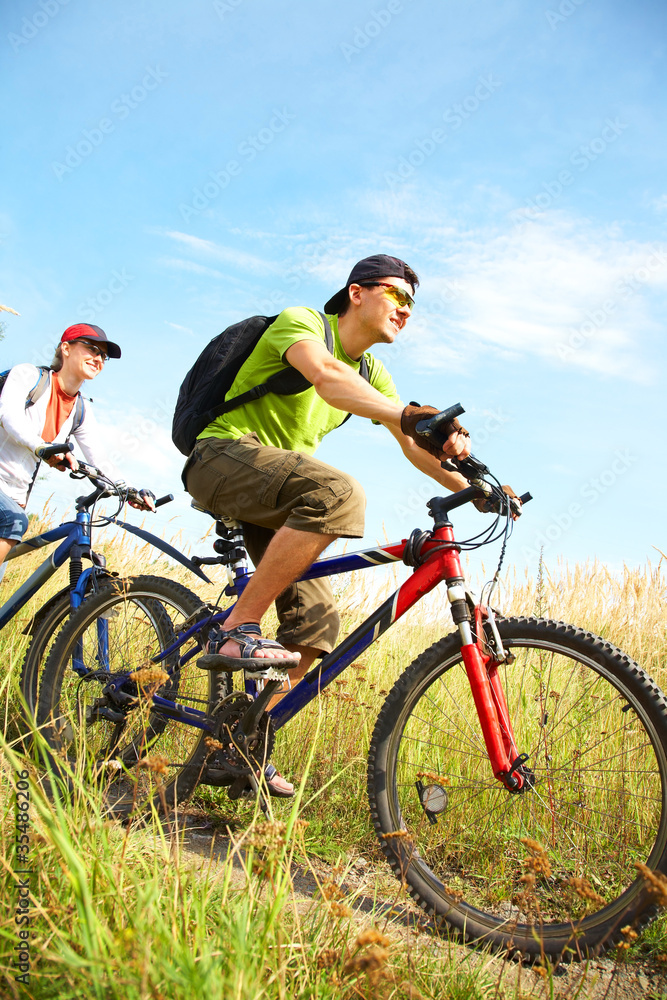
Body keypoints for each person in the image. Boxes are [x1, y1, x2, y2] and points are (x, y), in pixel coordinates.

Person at [184, 254, 480, 796]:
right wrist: (407, 414)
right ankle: (234, 630)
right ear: (357, 293)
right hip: (222, 457)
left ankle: (233, 748)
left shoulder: (373, 373)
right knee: (339, 495)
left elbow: (409, 440)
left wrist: (474, 487)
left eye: (414, 304)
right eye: (399, 296)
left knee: (315, 631)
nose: (407, 311)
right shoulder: (302, 323)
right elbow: (326, 378)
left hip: (277, 489)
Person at [0, 322, 155, 569]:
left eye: (103, 356)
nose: (99, 358)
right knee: (14, 521)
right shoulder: (29, 376)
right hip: (7, 508)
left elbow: (99, 458)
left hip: (15, 498)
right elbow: (9, 417)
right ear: (66, 348)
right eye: (92, 349)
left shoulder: (80, 409)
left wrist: (128, 491)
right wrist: (43, 447)